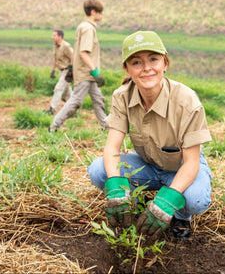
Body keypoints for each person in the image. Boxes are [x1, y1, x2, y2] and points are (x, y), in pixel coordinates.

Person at [87, 30, 212, 239]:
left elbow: (191, 162)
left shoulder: (187, 101)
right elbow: (112, 148)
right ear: (127, 69)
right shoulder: (122, 96)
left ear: (165, 63)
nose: (146, 68)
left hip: (181, 167)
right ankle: (133, 202)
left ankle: (180, 215)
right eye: (136, 62)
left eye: (153, 59)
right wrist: (117, 189)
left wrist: (168, 200)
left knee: (195, 199)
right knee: (99, 170)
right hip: (148, 165)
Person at [49, 0, 108, 131]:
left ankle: (107, 127)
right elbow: (83, 53)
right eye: (100, 12)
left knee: (98, 101)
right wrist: (95, 72)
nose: (101, 15)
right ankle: (54, 126)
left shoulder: (84, 26)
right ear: (93, 12)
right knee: (75, 101)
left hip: (86, 72)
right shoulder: (87, 28)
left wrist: (71, 67)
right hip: (86, 72)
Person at [44, 29, 73, 114]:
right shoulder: (56, 46)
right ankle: (74, 109)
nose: (52, 37)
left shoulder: (66, 46)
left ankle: (52, 109)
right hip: (61, 71)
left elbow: (73, 57)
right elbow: (55, 58)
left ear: (60, 37)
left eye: (54, 35)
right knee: (68, 91)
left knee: (58, 89)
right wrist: (53, 70)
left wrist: (71, 69)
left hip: (67, 71)